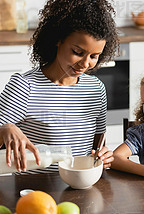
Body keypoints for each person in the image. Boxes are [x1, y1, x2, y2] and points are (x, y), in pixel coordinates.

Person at [0, 0, 118, 174]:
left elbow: (98, 142)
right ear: (58, 40)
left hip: (82, 187)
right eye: (77, 52)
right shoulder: (25, 87)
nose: (85, 64)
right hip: (35, 191)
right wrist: (5, 129)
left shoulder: (96, 89)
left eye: (94, 56)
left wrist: (104, 156)